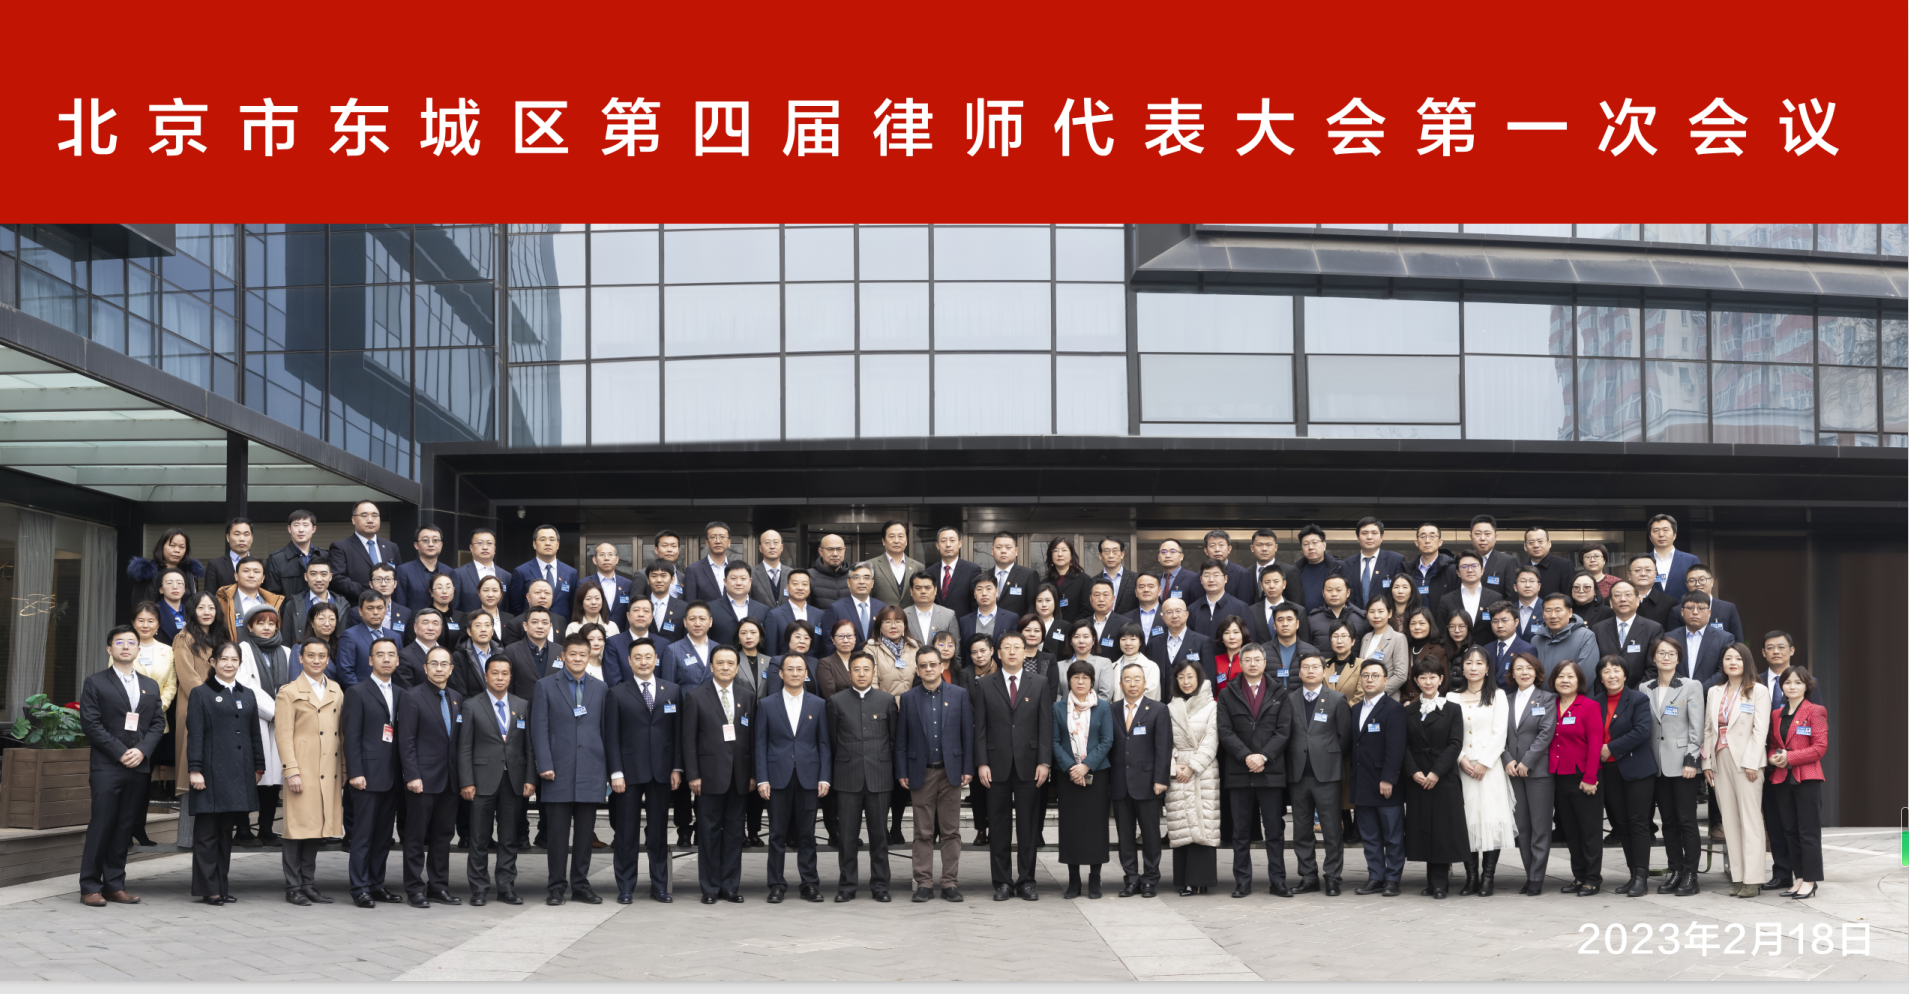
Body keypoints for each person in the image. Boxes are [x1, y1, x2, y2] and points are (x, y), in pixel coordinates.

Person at [77, 627, 168, 907]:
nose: (126, 646)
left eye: (131, 642)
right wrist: (120, 752)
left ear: (138, 650)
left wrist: (142, 750)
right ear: (110, 649)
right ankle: (90, 886)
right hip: (107, 766)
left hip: (138, 766)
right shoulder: (95, 682)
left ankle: (114, 884)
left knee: (125, 826)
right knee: (102, 824)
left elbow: (157, 723)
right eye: (119, 642)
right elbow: (91, 723)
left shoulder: (150, 685)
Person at [531, 633, 613, 906]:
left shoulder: (600, 687)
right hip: (557, 771)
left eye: (583, 654)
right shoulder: (545, 686)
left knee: (585, 834)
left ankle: (581, 885)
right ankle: (556, 887)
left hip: (591, 770)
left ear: (590, 656)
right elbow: (539, 729)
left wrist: (607, 771)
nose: (578, 659)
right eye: (573, 654)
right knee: (557, 835)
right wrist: (545, 764)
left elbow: (605, 731)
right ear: (563, 656)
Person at [974, 632, 1053, 901]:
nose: (1011, 652)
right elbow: (980, 728)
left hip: (1030, 765)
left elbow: (1046, 725)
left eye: (1017, 647)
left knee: (1028, 827)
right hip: (995, 765)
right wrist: (982, 762)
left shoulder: (1039, 682)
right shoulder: (985, 684)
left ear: (1025, 652)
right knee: (998, 827)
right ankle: (1003, 883)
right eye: (1006, 647)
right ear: (998, 653)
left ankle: (1027, 882)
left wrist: (1044, 761)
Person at [185, 641, 264, 905]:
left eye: (234, 660)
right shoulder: (201, 693)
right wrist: (195, 770)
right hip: (209, 773)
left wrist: (259, 766)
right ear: (213, 662)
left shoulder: (247, 694)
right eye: (224, 659)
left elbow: (254, 734)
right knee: (207, 834)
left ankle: (221, 885)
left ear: (240, 663)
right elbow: (195, 735)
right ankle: (209, 889)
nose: (229, 664)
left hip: (238, 774)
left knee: (225, 834)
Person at [896, 646, 974, 903]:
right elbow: (902, 739)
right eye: (923, 665)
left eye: (933, 664)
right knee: (923, 832)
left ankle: (950, 883)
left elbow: (967, 734)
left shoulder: (959, 694)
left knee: (951, 831)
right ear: (917, 670)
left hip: (951, 772)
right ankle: (924, 883)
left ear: (942, 666)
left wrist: (967, 768)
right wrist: (902, 770)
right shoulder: (908, 698)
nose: (928, 669)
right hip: (921, 774)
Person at [1216, 644, 1294, 898]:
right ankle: (1242, 881)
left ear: (1264, 662)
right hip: (1239, 771)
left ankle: (1278, 881)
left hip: (1271, 771)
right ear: (1240, 663)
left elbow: (1284, 731)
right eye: (1247, 660)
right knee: (1240, 832)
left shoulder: (1279, 691)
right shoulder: (1228, 693)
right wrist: (1246, 756)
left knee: (1274, 831)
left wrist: (1263, 756)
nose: (1252, 664)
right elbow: (1225, 731)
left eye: (1257, 659)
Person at [682, 645, 757, 904]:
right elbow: (689, 740)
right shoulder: (695, 696)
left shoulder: (748, 696)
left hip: (739, 777)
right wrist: (693, 775)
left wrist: (752, 774)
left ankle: (730, 887)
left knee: (735, 833)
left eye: (730, 663)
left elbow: (753, 739)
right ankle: (710, 888)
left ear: (737, 667)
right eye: (720, 663)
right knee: (709, 834)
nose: (725, 667)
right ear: (711, 666)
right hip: (708, 777)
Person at [753, 654, 831, 904]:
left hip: (809, 777)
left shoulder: (818, 704)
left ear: (806, 674)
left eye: (800, 669)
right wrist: (762, 779)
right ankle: (776, 884)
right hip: (777, 777)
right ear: (781, 673)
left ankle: (809, 884)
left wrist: (825, 777)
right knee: (776, 834)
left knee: (807, 833)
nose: (795, 673)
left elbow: (824, 744)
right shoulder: (767, 704)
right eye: (790, 669)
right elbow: (760, 744)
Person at [275, 638, 346, 906]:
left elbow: (341, 734)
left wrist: (344, 769)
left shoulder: (336, 689)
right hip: (302, 771)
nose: (316, 660)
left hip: (329, 770)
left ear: (328, 660)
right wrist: (291, 770)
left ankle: (308, 884)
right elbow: (283, 735)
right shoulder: (289, 692)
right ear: (301, 658)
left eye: (321, 656)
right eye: (311, 656)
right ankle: (293, 886)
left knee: (316, 828)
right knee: (296, 829)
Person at [396, 646, 464, 908]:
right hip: (422, 780)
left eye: (444, 664)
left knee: (443, 836)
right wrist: (412, 775)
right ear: (425, 668)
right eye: (433, 664)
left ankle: (438, 886)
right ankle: (414, 888)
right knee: (415, 837)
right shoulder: (412, 697)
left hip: (449, 780)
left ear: (451, 669)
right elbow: (406, 740)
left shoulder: (456, 698)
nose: (439, 668)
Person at [1703, 642, 1771, 898]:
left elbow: (1760, 730)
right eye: (1728, 658)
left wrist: (1752, 762)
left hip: (1746, 761)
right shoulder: (1714, 691)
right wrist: (1707, 763)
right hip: (1720, 758)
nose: (1732, 662)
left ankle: (1753, 879)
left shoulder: (1758, 691)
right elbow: (1708, 729)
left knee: (1750, 819)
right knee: (1730, 821)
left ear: (1747, 662)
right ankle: (1739, 876)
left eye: (1738, 658)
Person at [828, 652, 898, 903]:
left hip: (879, 777)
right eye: (856, 669)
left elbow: (893, 740)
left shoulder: (886, 701)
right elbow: (832, 741)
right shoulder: (835, 702)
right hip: (847, 777)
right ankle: (847, 886)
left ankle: (880, 886)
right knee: (847, 837)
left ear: (873, 672)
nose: (861, 674)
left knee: (879, 836)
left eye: (866, 669)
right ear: (849, 673)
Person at [1641, 636, 1705, 896]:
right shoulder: (1645, 688)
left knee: (1686, 820)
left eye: (1671, 654)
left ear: (1678, 658)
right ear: (1654, 658)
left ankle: (1691, 874)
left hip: (1682, 764)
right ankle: (1675, 870)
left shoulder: (1691, 686)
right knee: (1667, 821)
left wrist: (1691, 760)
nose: (1665, 658)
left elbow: (1697, 728)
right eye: (1661, 653)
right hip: (1656, 766)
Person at [1285, 653, 1353, 896]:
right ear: (1299, 672)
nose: (1311, 671)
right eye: (1306, 667)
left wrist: (1328, 755)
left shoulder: (1336, 699)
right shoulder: (1289, 698)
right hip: (1298, 774)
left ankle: (1333, 877)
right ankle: (1308, 877)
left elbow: (1345, 737)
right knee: (1301, 829)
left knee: (1332, 829)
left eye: (1315, 667)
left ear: (1324, 671)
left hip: (1327, 773)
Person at [1450, 647, 1516, 896]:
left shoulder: (1498, 695)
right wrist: (1461, 759)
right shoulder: (1452, 697)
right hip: (1463, 768)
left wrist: (1484, 762)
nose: (1473, 667)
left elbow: (1500, 733)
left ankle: (1488, 877)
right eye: (1469, 663)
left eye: (1479, 663)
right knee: (1466, 822)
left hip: (1489, 769)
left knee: (1490, 822)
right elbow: (1450, 733)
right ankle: (1471, 877)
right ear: (1462, 668)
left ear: (1488, 668)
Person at [1399, 657, 1465, 899]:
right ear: (1416, 681)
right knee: (1423, 827)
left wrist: (1436, 772)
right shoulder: (1408, 710)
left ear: (1441, 679)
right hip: (1417, 776)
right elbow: (1403, 745)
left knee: (1442, 828)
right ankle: (1430, 881)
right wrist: (1413, 771)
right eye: (1423, 677)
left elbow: (1455, 744)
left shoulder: (1452, 709)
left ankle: (1440, 883)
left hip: (1443, 776)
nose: (1428, 681)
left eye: (1432, 677)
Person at [1050, 659, 1112, 899]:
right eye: (1076, 677)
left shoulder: (1103, 707)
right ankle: (1073, 880)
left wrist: (1086, 766)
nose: (1080, 681)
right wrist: (1071, 768)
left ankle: (1095, 879)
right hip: (1068, 776)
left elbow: (1107, 740)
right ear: (1069, 681)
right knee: (1071, 828)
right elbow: (1054, 742)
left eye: (1085, 678)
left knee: (1096, 828)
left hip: (1096, 774)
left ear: (1092, 681)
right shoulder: (1058, 708)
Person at [1109, 662, 1172, 897]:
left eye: (1137, 679)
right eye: (1127, 679)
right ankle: (1131, 879)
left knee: (1151, 835)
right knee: (1125, 835)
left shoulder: (1158, 709)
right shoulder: (1112, 710)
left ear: (1145, 683)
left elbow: (1163, 747)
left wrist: (1160, 779)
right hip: (1119, 783)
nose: (1132, 684)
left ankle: (1150, 879)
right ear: (1120, 683)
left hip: (1147, 782)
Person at [169, 590, 225, 848]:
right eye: (201, 607)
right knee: (192, 767)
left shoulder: (219, 638)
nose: (207, 612)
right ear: (192, 611)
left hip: (220, 709)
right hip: (194, 707)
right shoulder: (183, 638)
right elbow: (188, 677)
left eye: (211, 607)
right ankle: (187, 838)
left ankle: (210, 839)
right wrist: (212, 701)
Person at [233, 603, 292, 845]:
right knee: (250, 775)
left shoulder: (286, 651)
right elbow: (245, 686)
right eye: (260, 623)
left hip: (281, 722)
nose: (266, 627)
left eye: (271, 623)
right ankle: (243, 830)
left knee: (274, 777)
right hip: (255, 718)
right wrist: (276, 712)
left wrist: (283, 713)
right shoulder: (243, 649)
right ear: (250, 626)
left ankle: (266, 829)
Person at [1767, 665, 1827, 900]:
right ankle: (1799, 878)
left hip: (1807, 777)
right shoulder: (1776, 714)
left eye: (1798, 682)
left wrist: (1790, 757)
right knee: (1790, 831)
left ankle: (1810, 880)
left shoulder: (1815, 711)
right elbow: (1774, 744)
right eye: (1788, 682)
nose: (1792, 686)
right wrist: (1773, 757)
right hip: (1782, 777)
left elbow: (1819, 748)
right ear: (1782, 686)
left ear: (1806, 686)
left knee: (1808, 832)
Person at [1546, 660, 1604, 896]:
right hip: (1558, 776)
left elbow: (1595, 744)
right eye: (1561, 676)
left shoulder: (1589, 706)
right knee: (1570, 830)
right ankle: (1579, 876)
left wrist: (1590, 777)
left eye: (1570, 676)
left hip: (1583, 776)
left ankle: (1593, 878)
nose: (1565, 680)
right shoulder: (1550, 705)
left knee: (1589, 831)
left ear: (1579, 680)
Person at [1349, 660, 1407, 896]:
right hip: (1362, 781)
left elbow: (1396, 747)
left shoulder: (1394, 709)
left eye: (1375, 675)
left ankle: (1393, 879)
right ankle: (1375, 876)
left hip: (1385, 783)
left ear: (1385, 680)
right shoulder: (1355, 709)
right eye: (1365, 675)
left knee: (1393, 835)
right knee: (1370, 835)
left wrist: (1389, 778)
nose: (1369, 679)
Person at [1500, 653, 1556, 896]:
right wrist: (1507, 759)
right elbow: (1498, 734)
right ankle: (1529, 873)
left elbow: (1546, 733)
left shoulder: (1547, 698)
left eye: (1529, 668)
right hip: (1512, 771)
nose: (1524, 672)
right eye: (1519, 668)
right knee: (1522, 827)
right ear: (1512, 673)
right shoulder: (1505, 700)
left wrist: (1527, 761)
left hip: (1538, 771)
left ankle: (1537, 877)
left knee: (1540, 827)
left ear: (1536, 672)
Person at [1165, 662, 1221, 895]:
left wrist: (1193, 766)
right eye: (1181, 677)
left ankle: (1202, 879)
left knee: (1203, 822)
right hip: (1177, 770)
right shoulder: (1170, 708)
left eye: (1190, 676)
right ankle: (1185, 880)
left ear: (1199, 678)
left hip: (1203, 770)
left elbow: (1212, 740)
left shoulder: (1212, 706)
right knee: (1182, 823)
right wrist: (1173, 766)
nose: (1186, 681)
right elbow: (1164, 741)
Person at [127, 603, 177, 848]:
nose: (145, 625)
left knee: (145, 779)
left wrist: (157, 707)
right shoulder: (124, 646)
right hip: (128, 723)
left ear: (158, 625)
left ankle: (139, 827)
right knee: (128, 779)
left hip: (157, 725)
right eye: (141, 620)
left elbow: (171, 685)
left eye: (150, 621)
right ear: (133, 623)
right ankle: (123, 830)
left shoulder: (167, 651)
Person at [1590, 580, 1662, 687]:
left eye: (1628, 595)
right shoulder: (1598, 629)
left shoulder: (1653, 629)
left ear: (1638, 600)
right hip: (1606, 692)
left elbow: (1653, 668)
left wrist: (1635, 694)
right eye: (1617, 595)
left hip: (1641, 692)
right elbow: (1594, 667)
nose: (1623, 599)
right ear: (1611, 602)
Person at [509, 523, 578, 615]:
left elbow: (573, 606)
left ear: (558, 544)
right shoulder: (521, 572)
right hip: (532, 623)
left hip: (562, 623)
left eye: (552, 539)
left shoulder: (571, 572)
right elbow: (516, 607)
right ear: (534, 544)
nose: (548, 543)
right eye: (542, 539)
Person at [1530, 593, 1599, 684]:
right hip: (1541, 693)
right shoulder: (1536, 640)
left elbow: (1586, 675)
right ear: (1543, 614)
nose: (1553, 615)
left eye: (1558, 610)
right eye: (1548, 610)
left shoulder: (1586, 636)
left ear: (1570, 612)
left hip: (1573, 693)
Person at [216, 556, 285, 643]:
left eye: (256, 572)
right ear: (236, 576)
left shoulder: (273, 602)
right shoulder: (222, 600)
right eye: (246, 571)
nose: (251, 575)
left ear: (263, 578)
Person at [128, 528, 202, 606]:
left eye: (182, 547)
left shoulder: (191, 573)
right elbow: (137, 604)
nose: (177, 550)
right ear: (162, 546)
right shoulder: (146, 572)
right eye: (172, 545)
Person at [861, 519, 924, 609]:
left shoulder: (918, 567)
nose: (896, 541)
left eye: (900, 536)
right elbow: (864, 598)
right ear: (883, 541)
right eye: (891, 536)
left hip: (910, 617)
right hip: (881, 616)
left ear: (906, 541)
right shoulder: (870, 565)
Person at [282, 559, 348, 645]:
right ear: (306, 576)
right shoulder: (292, 605)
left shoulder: (343, 605)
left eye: (324, 574)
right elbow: (286, 641)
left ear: (330, 577)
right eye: (313, 574)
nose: (319, 579)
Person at [821, 563, 886, 649]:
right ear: (848, 582)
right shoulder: (836, 608)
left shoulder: (883, 608)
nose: (861, 582)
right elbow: (829, 642)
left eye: (866, 578)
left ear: (872, 583)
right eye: (856, 577)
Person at [1673, 592, 1730, 685]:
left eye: (1701, 608)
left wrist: (1698, 690)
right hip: (1676, 691)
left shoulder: (1724, 638)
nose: (1695, 612)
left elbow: (1722, 672)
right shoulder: (1670, 637)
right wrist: (1681, 690)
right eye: (1690, 608)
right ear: (1682, 612)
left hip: (1710, 692)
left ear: (1709, 613)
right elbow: (1664, 668)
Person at [1681, 563, 1745, 644]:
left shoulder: (1728, 608)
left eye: (1702, 579)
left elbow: (1738, 641)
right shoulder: (1678, 610)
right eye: (1692, 581)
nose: (1697, 584)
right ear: (1687, 585)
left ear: (1712, 581)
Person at [451, 528, 510, 614]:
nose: (485, 547)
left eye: (489, 543)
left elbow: (508, 607)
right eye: (480, 543)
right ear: (471, 547)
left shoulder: (506, 576)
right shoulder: (458, 574)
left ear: (494, 548)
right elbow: (455, 609)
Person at [263, 509, 320, 599]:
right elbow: (272, 595)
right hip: (289, 608)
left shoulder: (324, 555)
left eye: (305, 525)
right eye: (296, 525)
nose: (301, 530)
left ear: (313, 529)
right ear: (289, 529)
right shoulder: (276, 558)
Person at [866, 606, 922, 697]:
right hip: (885, 704)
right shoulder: (871, 649)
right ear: (880, 626)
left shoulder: (914, 647)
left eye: (898, 621)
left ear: (905, 625)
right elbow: (872, 683)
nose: (893, 626)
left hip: (912, 703)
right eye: (888, 622)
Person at [1189, 558, 1249, 640]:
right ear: (1201, 580)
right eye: (1206, 576)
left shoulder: (1240, 608)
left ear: (1225, 579)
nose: (1211, 579)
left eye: (1216, 575)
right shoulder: (1192, 610)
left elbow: (1248, 640)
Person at [930, 526, 983, 616]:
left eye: (952, 540)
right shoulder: (930, 572)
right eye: (943, 541)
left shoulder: (972, 570)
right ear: (937, 545)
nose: (948, 544)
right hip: (936, 623)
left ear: (960, 544)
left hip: (962, 622)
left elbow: (976, 603)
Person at [986, 531, 1041, 619]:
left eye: (1008, 547)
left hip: (1017, 626)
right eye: (999, 547)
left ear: (1016, 551)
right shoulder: (985, 576)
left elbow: (1033, 608)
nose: (1003, 551)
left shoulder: (1029, 575)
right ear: (992, 551)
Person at [1482, 601, 1536, 689]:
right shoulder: (1487, 648)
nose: (1500, 625)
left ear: (1516, 621)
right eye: (1495, 621)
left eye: (1505, 620)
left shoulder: (1527, 649)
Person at [1646, 513, 1700, 601]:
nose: (1661, 534)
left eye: (1665, 530)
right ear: (1650, 537)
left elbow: (1698, 589)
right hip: (1650, 609)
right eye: (1656, 530)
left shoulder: (1691, 560)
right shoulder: (1642, 561)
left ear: (1674, 535)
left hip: (1682, 608)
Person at [1357, 597, 1408, 686]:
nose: (1376, 616)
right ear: (1367, 614)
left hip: (1386, 692)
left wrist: (1379, 691)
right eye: (1372, 612)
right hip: (1366, 692)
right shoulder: (1366, 638)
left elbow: (1400, 675)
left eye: (1381, 611)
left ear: (1389, 613)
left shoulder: (1398, 638)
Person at [450, 611, 500, 699]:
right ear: (469, 632)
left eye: (487, 625)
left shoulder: (502, 654)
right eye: (478, 625)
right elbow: (460, 693)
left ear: (492, 631)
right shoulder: (458, 657)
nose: (483, 629)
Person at [1436, 551, 1491, 630]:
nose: (1470, 570)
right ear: (1458, 572)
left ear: (1482, 570)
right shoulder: (1446, 600)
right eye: (1464, 566)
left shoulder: (1495, 597)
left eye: (1474, 566)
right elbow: (1441, 631)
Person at [904, 570, 958, 649]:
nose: (923, 591)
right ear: (911, 591)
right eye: (918, 588)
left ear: (935, 590)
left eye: (927, 588)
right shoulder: (903, 615)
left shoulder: (948, 615)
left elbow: (955, 647)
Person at [1110, 623, 1161, 701]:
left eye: (1133, 639)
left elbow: (1150, 696)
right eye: (1123, 639)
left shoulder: (1151, 667)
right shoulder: (1113, 666)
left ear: (1140, 642)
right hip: (1116, 708)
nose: (1127, 643)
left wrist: (1129, 707)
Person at [1205, 614, 1249, 696]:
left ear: (1243, 635)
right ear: (1222, 637)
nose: (1231, 637)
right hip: (1217, 703)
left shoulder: (1250, 660)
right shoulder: (1214, 661)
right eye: (1227, 633)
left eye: (1236, 632)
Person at [750, 528, 792, 607]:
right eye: (767, 543)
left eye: (776, 542)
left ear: (782, 547)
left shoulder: (791, 574)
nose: (772, 546)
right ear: (760, 548)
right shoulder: (751, 573)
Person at [808, 532, 851, 609]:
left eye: (839, 549)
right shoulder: (809, 577)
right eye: (830, 549)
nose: (835, 554)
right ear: (821, 552)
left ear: (844, 550)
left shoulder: (854, 576)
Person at [155, 568, 192, 643]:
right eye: (169, 583)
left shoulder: (192, 611)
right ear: (161, 589)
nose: (175, 587)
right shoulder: (152, 611)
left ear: (184, 589)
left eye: (179, 583)